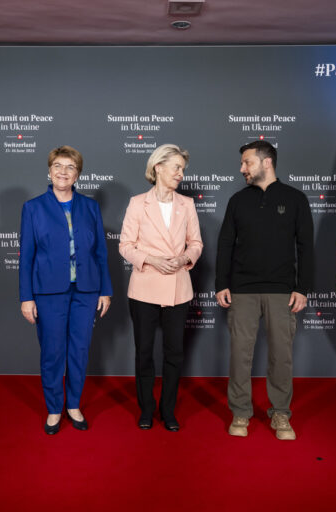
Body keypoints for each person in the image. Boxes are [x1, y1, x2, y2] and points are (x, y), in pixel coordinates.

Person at [215, 140, 313, 440]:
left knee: (281, 356)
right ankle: (240, 413)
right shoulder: (237, 201)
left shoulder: (295, 199)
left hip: (282, 291)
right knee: (239, 355)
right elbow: (225, 245)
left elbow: (306, 247)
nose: (242, 168)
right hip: (242, 290)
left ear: (266, 162)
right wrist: (221, 284)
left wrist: (302, 288)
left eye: (247, 162)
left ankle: (280, 414)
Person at [19, 145, 113, 435]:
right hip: (48, 293)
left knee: (79, 350)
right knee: (52, 352)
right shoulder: (33, 208)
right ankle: (54, 408)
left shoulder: (90, 207)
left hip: (86, 291)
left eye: (70, 167)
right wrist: (26, 297)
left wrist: (105, 290)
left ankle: (74, 404)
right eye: (58, 165)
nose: (63, 171)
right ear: (49, 170)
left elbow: (100, 252)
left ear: (78, 174)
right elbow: (26, 256)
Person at [119, 144, 203, 431]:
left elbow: (196, 243)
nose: (181, 173)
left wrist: (184, 258)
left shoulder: (187, 204)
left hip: (178, 288)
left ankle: (168, 411)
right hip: (144, 287)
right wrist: (152, 260)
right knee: (144, 352)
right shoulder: (136, 202)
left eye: (182, 169)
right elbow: (125, 246)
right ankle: (146, 409)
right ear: (158, 167)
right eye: (176, 167)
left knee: (174, 353)